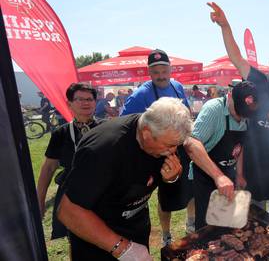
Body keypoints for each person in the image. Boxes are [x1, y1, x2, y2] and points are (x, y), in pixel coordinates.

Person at [57, 97, 234, 260]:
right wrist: (122, 248)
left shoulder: (163, 135)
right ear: (146, 133)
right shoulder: (104, 149)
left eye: (176, 145)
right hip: (97, 233)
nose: (173, 151)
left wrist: (173, 179)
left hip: (136, 225)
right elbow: (68, 211)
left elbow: (172, 197)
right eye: (169, 145)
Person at [208, 2, 269, 226]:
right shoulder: (259, 82)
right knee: (257, 211)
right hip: (255, 160)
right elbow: (236, 57)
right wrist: (225, 26)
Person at [120, 49, 193, 246]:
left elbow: (186, 115)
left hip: (179, 148)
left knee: (190, 188)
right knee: (165, 196)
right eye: (155, 72)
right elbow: (124, 125)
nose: (160, 76)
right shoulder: (140, 95)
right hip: (155, 153)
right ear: (149, 73)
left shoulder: (178, 87)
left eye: (164, 71)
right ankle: (166, 235)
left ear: (170, 70)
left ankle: (191, 225)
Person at [37, 83, 101, 240]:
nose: (85, 103)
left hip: (102, 191)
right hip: (71, 192)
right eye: (79, 99)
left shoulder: (107, 128)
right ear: (69, 103)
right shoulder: (61, 133)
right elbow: (48, 168)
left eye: (89, 99)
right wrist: (40, 200)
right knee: (74, 236)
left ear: (95, 102)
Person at [192, 81, 258, 229]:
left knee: (226, 221)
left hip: (229, 175)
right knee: (206, 226)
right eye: (238, 112)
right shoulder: (213, 110)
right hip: (206, 176)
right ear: (230, 96)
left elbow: (239, 147)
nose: (241, 118)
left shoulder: (246, 114)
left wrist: (239, 174)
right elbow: (191, 143)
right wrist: (218, 176)